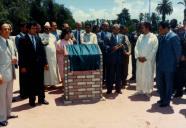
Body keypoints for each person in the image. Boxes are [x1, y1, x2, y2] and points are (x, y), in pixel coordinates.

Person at [18, 21, 49, 107]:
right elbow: (21, 54)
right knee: (31, 83)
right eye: (33, 28)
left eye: (35, 28)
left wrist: (45, 63)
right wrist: (23, 66)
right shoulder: (22, 40)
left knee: (40, 82)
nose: (35, 30)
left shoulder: (38, 38)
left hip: (39, 65)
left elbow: (42, 52)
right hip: (29, 66)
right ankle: (32, 101)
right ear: (28, 29)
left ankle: (41, 99)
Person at [156, 21, 182, 107]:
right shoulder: (161, 36)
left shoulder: (174, 37)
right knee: (159, 83)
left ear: (166, 28)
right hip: (160, 65)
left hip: (170, 66)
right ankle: (162, 98)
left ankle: (166, 101)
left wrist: (177, 64)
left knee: (168, 83)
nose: (159, 31)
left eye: (160, 29)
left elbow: (178, 52)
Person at [0, 21, 18, 127]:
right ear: (0, 31)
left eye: (9, 29)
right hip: (2, 74)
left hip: (11, 72)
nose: (7, 31)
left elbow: (15, 52)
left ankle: (8, 113)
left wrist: (16, 58)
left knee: (9, 95)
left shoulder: (11, 41)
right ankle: (2, 118)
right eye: (5, 29)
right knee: (1, 97)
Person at [135, 22, 158, 97]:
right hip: (140, 60)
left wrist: (146, 58)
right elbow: (136, 47)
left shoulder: (153, 37)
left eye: (143, 27)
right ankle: (140, 89)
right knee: (140, 74)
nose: (141, 29)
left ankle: (148, 91)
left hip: (148, 61)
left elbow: (154, 49)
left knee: (148, 75)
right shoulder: (140, 37)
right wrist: (138, 56)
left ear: (147, 28)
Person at [106, 24, 130, 94]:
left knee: (119, 75)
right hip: (111, 59)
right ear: (112, 29)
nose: (117, 30)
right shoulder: (108, 36)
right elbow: (106, 46)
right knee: (110, 75)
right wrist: (112, 48)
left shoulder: (122, 36)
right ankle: (109, 89)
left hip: (120, 59)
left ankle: (118, 89)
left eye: (118, 29)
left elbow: (126, 45)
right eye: (115, 29)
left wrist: (123, 47)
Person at [39, 22, 60, 89]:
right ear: (44, 28)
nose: (47, 30)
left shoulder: (53, 36)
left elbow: (56, 45)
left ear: (50, 28)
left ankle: (53, 84)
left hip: (53, 56)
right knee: (46, 70)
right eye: (46, 28)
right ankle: (45, 85)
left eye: (48, 28)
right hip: (46, 56)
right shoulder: (41, 36)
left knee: (53, 69)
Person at [15, 22, 29, 99]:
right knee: (23, 78)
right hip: (23, 59)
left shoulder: (27, 36)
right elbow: (19, 49)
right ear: (21, 28)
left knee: (27, 78)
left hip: (28, 60)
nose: (26, 29)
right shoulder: (18, 37)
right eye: (25, 27)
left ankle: (27, 92)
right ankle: (23, 93)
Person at [174, 19, 186, 98]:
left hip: (184, 57)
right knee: (180, 75)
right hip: (181, 58)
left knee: (181, 75)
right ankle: (179, 91)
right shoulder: (180, 32)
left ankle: (179, 91)